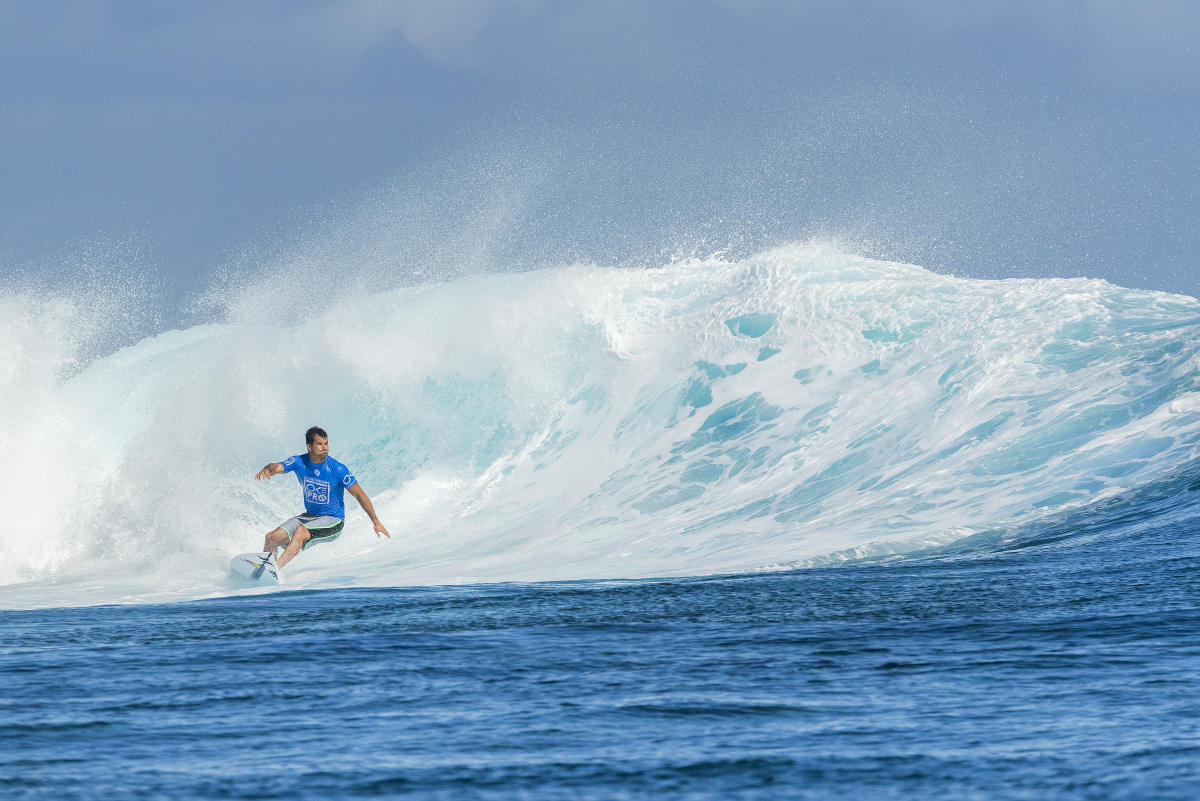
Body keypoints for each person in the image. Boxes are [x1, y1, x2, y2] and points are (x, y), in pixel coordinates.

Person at [254, 426, 390, 571]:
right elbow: (278, 466)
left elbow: (359, 494)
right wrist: (269, 469)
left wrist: (375, 521)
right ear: (309, 446)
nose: (325, 447)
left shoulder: (337, 469)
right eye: (320, 444)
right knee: (271, 538)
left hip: (334, 521)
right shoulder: (299, 461)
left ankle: (275, 570)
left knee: (300, 531)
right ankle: (263, 572)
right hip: (309, 517)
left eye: (326, 443)